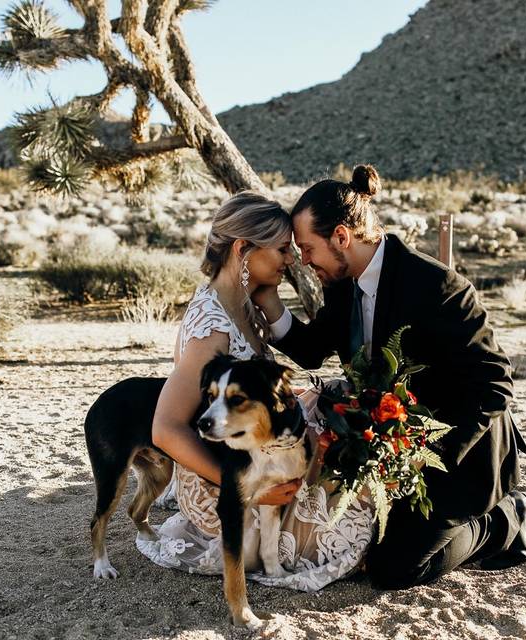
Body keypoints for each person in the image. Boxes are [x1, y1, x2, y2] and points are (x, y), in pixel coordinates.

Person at [252, 165, 526, 589]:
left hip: (462, 456)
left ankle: (504, 519)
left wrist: (430, 454)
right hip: (390, 455)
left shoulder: (437, 286)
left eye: (308, 249)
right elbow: (312, 350)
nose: (304, 262)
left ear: (342, 237)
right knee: (361, 548)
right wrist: (267, 298)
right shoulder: (344, 284)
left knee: (394, 569)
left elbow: (495, 382)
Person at [137, 191, 375, 592]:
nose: (291, 260)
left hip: (255, 455)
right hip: (222, 483)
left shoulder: (241, 305)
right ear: (243, 248)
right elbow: (165, 429)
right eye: (282, 250)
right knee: (353, 525)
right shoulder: (213, 327)